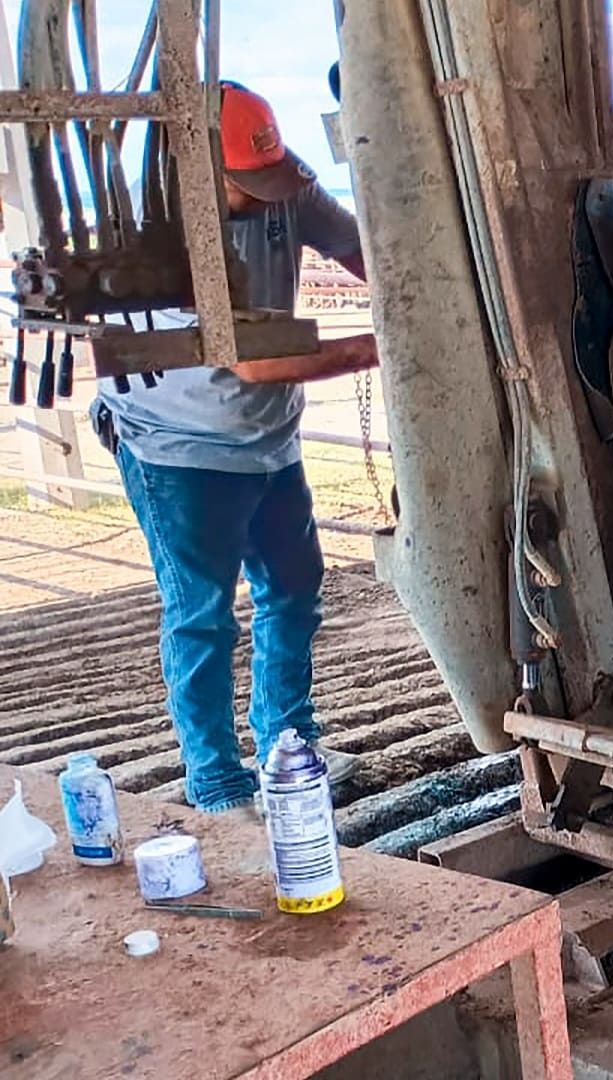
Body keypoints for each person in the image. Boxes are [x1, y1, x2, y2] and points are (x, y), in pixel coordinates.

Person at [92, 82, 378, 814]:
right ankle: (215, 776)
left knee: (293, 590)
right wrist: (384, 344)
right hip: (177, 447)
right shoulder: (150, 229)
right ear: (192, 165)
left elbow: (363, 253)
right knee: (201, 613)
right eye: (243, 184)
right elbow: (251, 359)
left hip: (267, 439)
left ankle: (289, 744)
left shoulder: (282, 185)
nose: (262, 194)